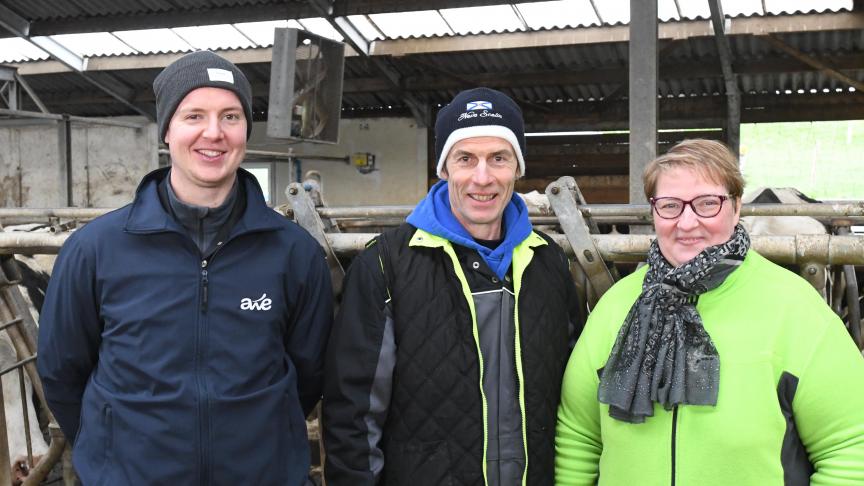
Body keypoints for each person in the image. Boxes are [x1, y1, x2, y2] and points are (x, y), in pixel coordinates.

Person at [37, 51, 333, 485]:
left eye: (230, 116)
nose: (213, 133)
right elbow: (62, 372)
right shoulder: (95, 249)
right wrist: (112, 457)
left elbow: (310, 375)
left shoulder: (294, 253)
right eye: (194, 115)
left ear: (246, 131)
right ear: (167, 130)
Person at [555, 139, 864, 485]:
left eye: (707, 204)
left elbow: (851, 447)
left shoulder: (795, 309)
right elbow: (578, 436)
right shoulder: (616, 306)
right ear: (654, 211)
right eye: (670, 205)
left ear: (735, 206)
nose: (687, 223)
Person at [322, 87, 583, 486]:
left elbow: (574, 400)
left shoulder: (547, 262)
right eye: (465, 159)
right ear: (444, 170)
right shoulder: (387, 263)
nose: (483, 177)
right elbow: (353, 413)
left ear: (518, 168)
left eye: (499, 158)